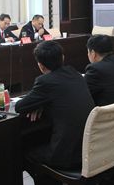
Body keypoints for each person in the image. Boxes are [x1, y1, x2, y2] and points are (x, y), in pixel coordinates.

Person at [15, 40, 94, 170]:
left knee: (25, 151)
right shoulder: (74, 73)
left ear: (40, 66)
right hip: (89, 149)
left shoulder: (45, 81)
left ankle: (47, 182)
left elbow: (19, 107)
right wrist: (41, 103)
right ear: (62, 58)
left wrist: (38, 103)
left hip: (67, 155)